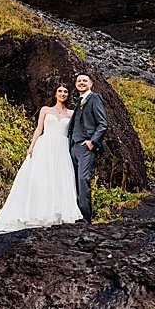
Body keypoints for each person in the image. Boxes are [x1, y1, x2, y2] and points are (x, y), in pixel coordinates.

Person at [0, 83, 83, 232]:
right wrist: (31, 146)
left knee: (60, 178)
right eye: (59, 91)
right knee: (40, 177)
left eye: (65, 91)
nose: (62, 93)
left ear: (68, 95)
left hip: (61, 147)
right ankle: (38, 212)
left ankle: (56, 213)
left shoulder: (71, 113)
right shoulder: (46, 110)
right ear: (55, 94)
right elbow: (39, 128)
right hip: (45, 144)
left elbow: (76, 130)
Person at [68, 72, 109, 222]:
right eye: (79, 81)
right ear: (75, 84)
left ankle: (85, 217)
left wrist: (92, 142)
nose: (82, 83)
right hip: (73, 147)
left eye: (85, 81)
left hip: (86, 147)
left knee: (83, 180)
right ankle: (77, 214)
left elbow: (102, 124)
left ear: (91, 84)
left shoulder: (95, 98)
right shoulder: (79, 102)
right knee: (74, 181)